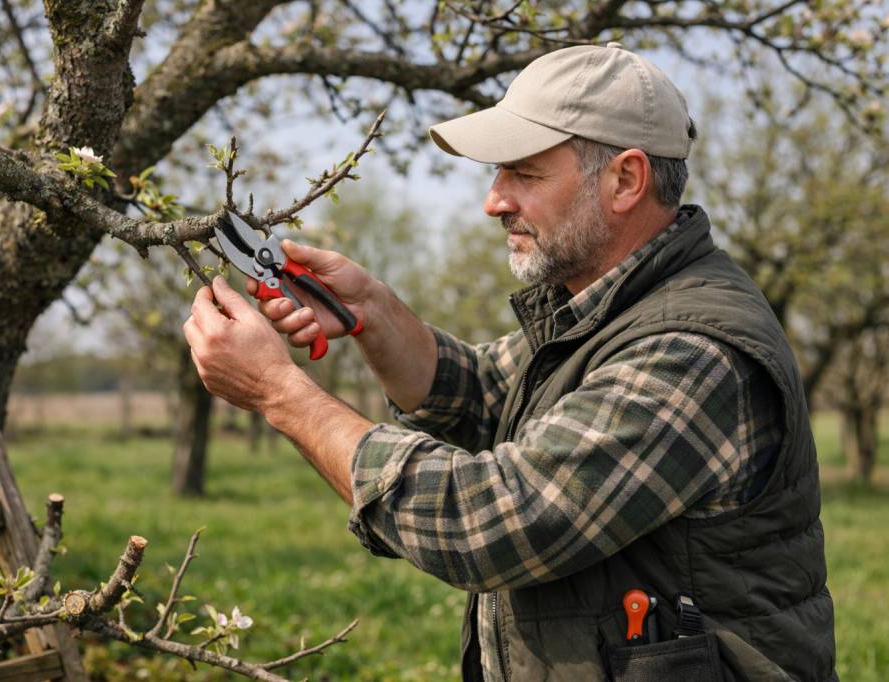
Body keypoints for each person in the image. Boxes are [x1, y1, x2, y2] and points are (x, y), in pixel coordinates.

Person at [183, 43, 836, 682]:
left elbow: (490, 522)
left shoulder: (692, 352)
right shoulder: (599, 311)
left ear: (626, 180)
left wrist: (280, 393)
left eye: (523, 172)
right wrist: (375, 315)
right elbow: (480, 394)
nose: (494, 201)